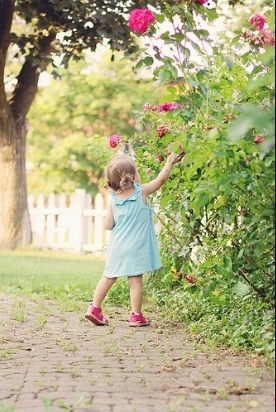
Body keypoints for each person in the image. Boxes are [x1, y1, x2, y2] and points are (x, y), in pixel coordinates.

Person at [85, 151, 180, 327]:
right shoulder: (141, 192)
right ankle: (136, 316)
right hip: (136, 247)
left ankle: (94, 308)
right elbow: (160, 180)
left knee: (108, 277)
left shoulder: (113, 200)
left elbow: (108, 225)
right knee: (135, 281)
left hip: (117, 247)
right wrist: (169, 163)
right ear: (132, 177)